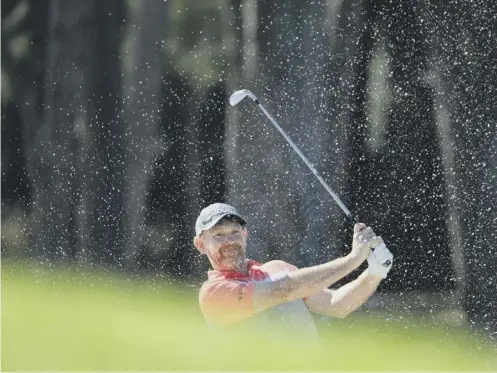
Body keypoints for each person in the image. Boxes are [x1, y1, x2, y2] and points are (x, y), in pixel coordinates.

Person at [193, 202, 394, 339]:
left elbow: (336, 305)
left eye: (234, 232)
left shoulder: (278, 269)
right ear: (201, 245)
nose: (229, 241)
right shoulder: (213, 293)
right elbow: (282, 291)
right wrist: (353, 259)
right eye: (218, 235)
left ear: (245, 235)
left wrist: (374, 272)